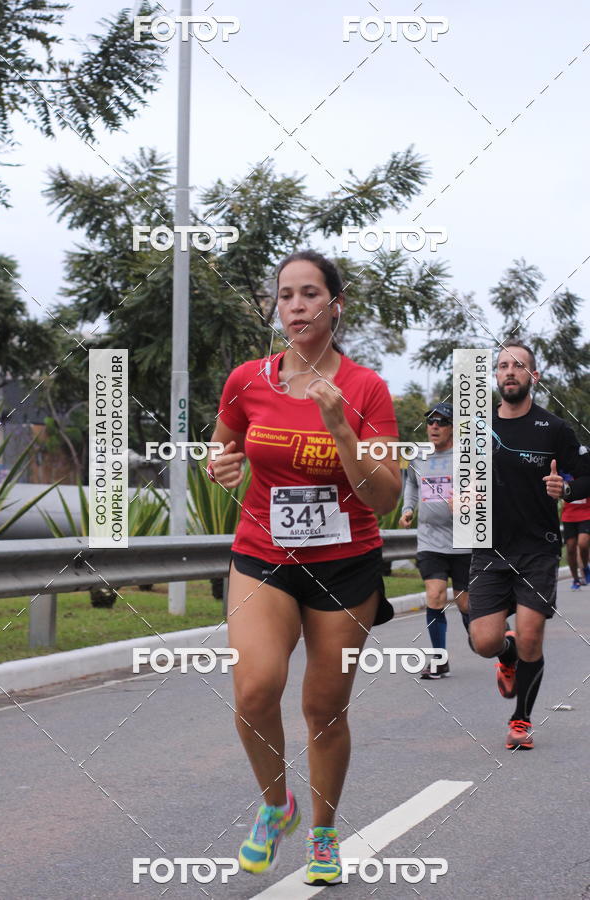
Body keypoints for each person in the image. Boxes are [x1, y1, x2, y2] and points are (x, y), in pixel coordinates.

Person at [207, 250, 401, 884]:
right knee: (255, 688)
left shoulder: (367, 388)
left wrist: (341, 429)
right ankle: (275, 809)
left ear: (334, 305)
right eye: (285, 295)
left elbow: (384, 495)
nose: (295, 305)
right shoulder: (246, 380)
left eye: (309, 293)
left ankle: (323, 833)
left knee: (324, 706)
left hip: (346, 565)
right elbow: (224, 442)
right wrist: (221, 463)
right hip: (263, 555)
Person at [468, 340, 590, 750]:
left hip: (539, 548)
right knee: (484, 641)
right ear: (496, 375)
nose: (509, 372)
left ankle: (521, 719)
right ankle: (506, 656)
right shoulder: (479, 426)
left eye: (518, 366)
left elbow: (585, 476)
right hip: (489, 549)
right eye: (502, 366)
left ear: (533, 376)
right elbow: (465, 480)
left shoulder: (555, 429)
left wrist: (567, 488)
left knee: (532, 636)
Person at [398, 402, 472, 679]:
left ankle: (478, 636)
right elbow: (411, 484)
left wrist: (466, 500)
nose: (434, 427)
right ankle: (439, 659)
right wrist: (408, 509)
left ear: (452, 428)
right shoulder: (419, 456)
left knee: (465, 604)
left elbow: (483, 488)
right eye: (431, 422)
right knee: (435, 595)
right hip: (430, 540)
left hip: (463, 541)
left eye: (441, 422)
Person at [561, 474, 590, 589]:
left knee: (583, 543)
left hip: (586, 513)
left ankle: (585, 567)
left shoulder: (585, 470)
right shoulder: (564, 473)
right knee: (571, 547)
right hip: (569, 515)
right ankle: (575, 579)